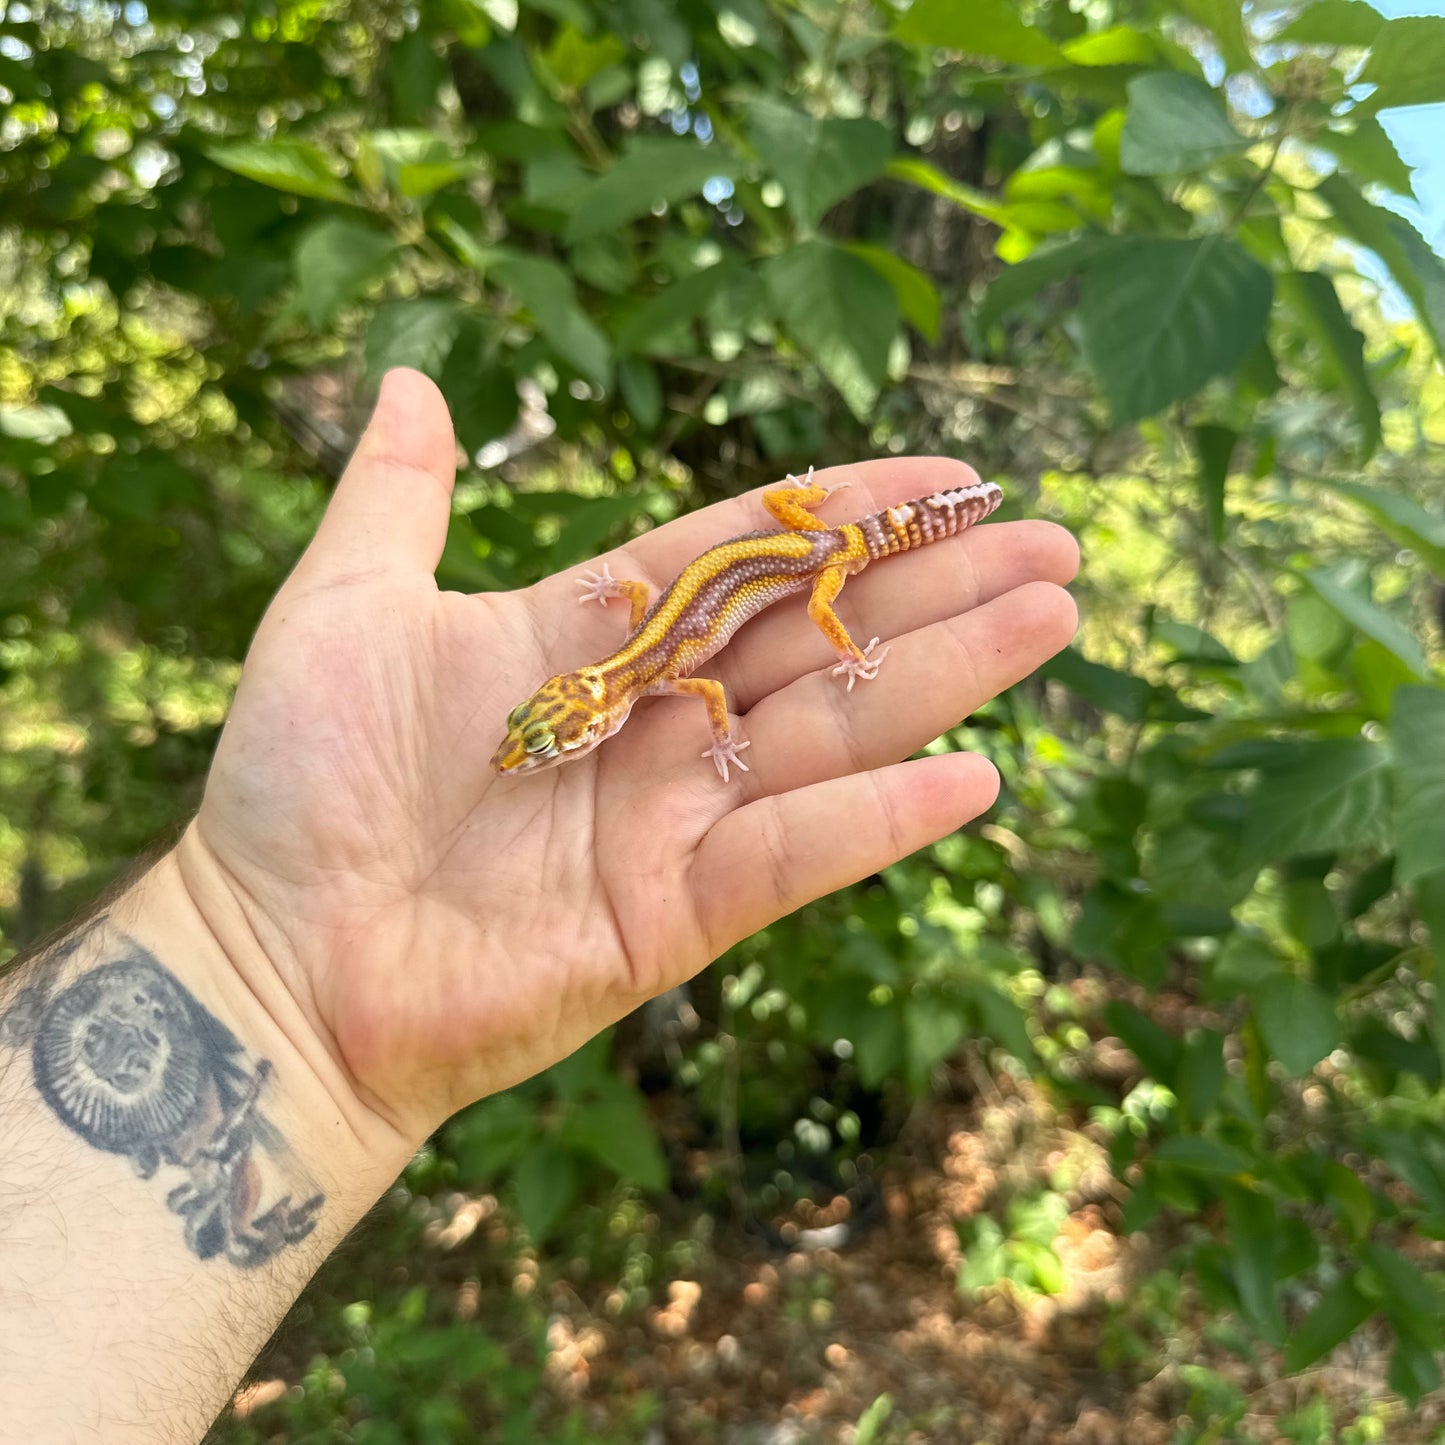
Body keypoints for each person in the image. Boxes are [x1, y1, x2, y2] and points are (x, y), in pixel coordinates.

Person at [0, 368, 1079, 1443]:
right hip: (786, 546)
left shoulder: (669, 664)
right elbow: (653, 630)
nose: (536, 746)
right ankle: (889, 531)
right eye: (539, 732)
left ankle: (873, 606)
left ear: (597, 716)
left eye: (546, 737)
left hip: (811, 562)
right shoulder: (632, 653)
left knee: (849, 597)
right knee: (847, 545)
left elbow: (710, 688)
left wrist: (780, 672)